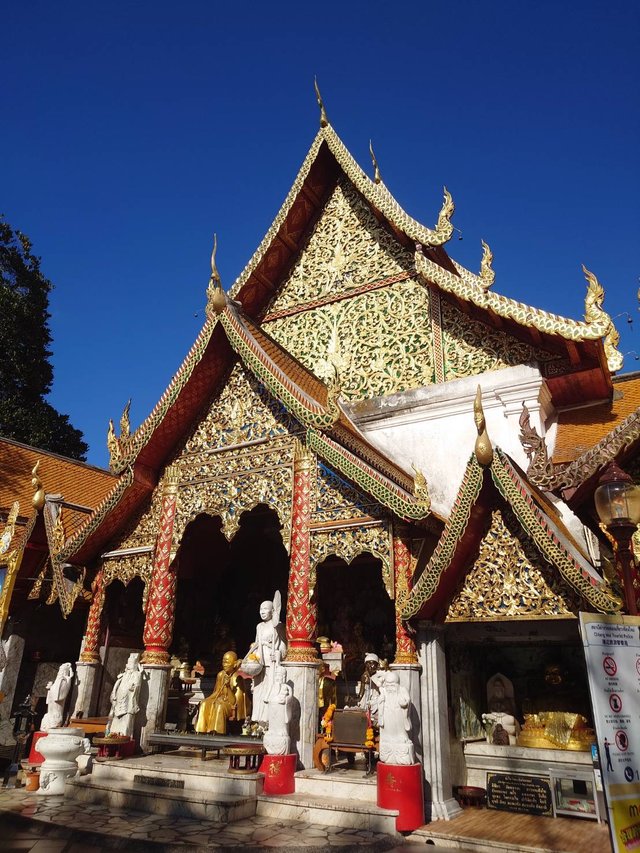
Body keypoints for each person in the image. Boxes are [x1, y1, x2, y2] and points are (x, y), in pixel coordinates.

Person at [245, 594, 287, 724]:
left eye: (265, 609)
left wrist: (278, 653)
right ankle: (259, 721)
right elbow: (257, 643)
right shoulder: (259, 626)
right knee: (258, 693)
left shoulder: (278, 626)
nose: (262, 612)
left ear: (272, 611)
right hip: (259, 662)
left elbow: (284, 646)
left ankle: (269, 721)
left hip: (272, 663)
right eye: (260, 609)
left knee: (270, 691)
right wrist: (250, 656)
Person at [195, 650, 243, 734]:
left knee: (219, 706)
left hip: (229, 704)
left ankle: (217, 732)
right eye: (223, 662)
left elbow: (234, 701)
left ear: (234, 664)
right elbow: (217, 692)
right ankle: (201, 731)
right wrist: (207, 700)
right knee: (205, 703)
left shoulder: (237, 677)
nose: (224, 665)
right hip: (220, 699)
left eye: (227, 662)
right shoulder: (221, 674)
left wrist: (228, 687)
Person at [377, 670, 415, 765]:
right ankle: (388, 740)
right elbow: (380, 700)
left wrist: (404, 703)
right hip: (387, 714)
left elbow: (407, 700)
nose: (390, 687)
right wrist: (381, 701)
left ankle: (401, 739)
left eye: (392, 684)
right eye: (388, 684)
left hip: (398, 715)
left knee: (400, 731)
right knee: (388, 729)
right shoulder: (384, 691)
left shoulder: (402, 690)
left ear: (397, 683)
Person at [107, 652, 144, 738]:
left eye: (131, 663)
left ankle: (125, 736)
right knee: (115, 720)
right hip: (118, 700)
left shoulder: (136, 674)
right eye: (128, 663)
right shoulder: (123, 675)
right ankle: (113, 734)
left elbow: (137, 685)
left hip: (128, 702)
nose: (129, 665)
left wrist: (139, 674)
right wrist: (114, 694)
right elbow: (116, 684)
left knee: (127, 720)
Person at [263, 666, 293, 755]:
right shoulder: (273, 686)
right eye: (276, 676)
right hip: (272, 707)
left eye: (279, 676)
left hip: (281, 708)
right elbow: (266, 698)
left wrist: (286, 700)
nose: (277, 678)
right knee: (273, 721)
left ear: (284, 677)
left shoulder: (287, 687)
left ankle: (281, 731)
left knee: (281, 722)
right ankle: (272, 730)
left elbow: (290, 697)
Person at [40, 663, 73, 731]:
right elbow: (54, 689)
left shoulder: (65, 680)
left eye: (62, 671)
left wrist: (69, 678)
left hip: (58, 701)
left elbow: (62, 694)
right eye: (60, 670)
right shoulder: (58, 679)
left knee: (56, 712)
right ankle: (47, 724)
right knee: (50, 711)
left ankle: (54, 723)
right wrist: (50, 688)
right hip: (52, 700)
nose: (60, 672)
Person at [357, 653, 381, 723]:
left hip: (377, 699)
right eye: (367, 664)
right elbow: (361, 692)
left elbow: (382, 689)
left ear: (377, 665)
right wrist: (355, 699)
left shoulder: (380, 675)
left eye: (372, 663)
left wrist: (372, 679)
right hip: (367, 700)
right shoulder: (364, 676)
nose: (370, 666)